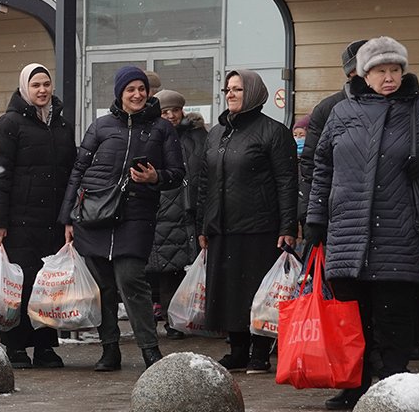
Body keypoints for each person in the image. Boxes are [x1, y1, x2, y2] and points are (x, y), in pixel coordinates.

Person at [304, 36, 419, 410]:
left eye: (395, 69)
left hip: (399, 231)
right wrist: (315, 217)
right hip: (347, 233)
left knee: (393, 319)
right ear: (364, 74)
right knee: (352, 320)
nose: (390, 77)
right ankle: (355, 387)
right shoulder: (341, 113)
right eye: (381, 70)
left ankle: (394, 391)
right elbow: (322, 167)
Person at [61, 66, 185, 371]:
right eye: (130, 89)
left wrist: (156, 176)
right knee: (102, 285)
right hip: (95, 216)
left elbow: (177, 174)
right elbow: (78, 171)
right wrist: (67, 217)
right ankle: (109, 349)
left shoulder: (161, 129)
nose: (138, 94)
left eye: (141, 89)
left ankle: (149, 349)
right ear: (119, 93)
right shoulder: (100, 126)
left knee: (131, 279)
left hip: (136, 216)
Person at [197, 69, 297, 373]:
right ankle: (237, 349)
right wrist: (203, 224)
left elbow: (287, 182)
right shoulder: (216, 133)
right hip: (221, 227)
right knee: (228, 292)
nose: (230, 94)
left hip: (259, 226)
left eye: (237, 89)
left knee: (256, 292)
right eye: (228, 89)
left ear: (252, 93)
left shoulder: (273, 132)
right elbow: (205, 181)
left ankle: (260, 352)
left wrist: (288, 226)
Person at [0, 63, 77, 369]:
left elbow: (70, 174)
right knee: (19, 286)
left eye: (46, 84)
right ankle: (14, 346)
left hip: (52, 222)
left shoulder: (62, 126)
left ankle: (45, 347)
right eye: (36, 85)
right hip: (18, 221)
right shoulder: (8, 125)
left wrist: (69, 218)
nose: (42, 90)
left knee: (48, 286)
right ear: (25, 87)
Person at [146, 88, 206, 339]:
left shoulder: (198, 137)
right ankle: (172, 322)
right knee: (167, 272)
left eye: (175, 110)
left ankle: (191, 318)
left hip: (190, 211)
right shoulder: (152, 136)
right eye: (165, 111)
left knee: (189, 270)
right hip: (164, 211)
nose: (170, 115)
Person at [299, 40, 366, 222]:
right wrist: (311, 215)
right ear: (352, 72)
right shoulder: (329, 108)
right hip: (341, 212)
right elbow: (311, 165)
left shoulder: (401, 105)